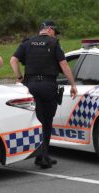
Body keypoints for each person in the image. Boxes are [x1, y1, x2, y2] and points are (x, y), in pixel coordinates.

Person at [10, 20, 77, 169]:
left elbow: (13, 60)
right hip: (48, 85)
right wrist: (72, 84)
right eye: (55, 32)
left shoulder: (27, 43)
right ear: (50, 30)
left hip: (31, 85)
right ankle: (43, 156)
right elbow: (64, 64)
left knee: (37, 120)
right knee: (47, 121)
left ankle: (40, 154)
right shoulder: (54, 43)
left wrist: (19, 77)